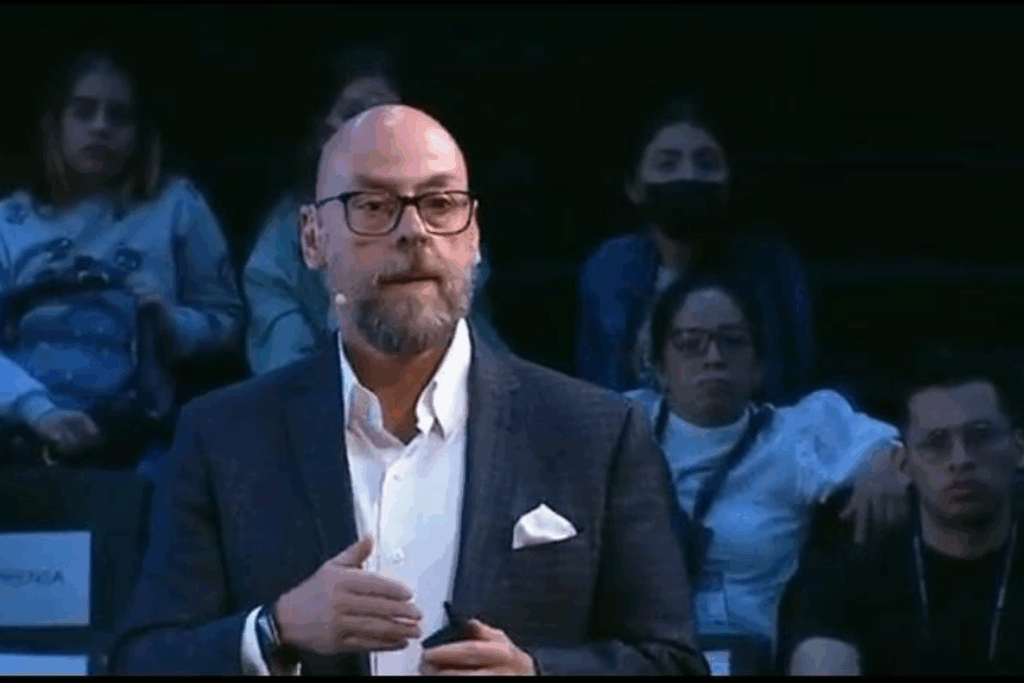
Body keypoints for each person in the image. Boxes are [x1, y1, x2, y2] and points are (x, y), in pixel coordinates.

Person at [107, 104, 709, 676]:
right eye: (373, 205)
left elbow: (675, 662)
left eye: (441, 203)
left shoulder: (597, 435)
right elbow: (141, 660)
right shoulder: (223, 437)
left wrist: (536, 672)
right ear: (312, 237)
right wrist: (274, 630)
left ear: (473, 236)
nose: (414, 230)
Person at [624, 272, 904, 669]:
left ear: (758, 366)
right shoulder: (622, 424)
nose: (713, 357)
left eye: (732, 341)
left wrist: (883, 463)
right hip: (636, 652)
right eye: (690, 344)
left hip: (742, 656)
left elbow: (888, 445)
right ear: (660, 367)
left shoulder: (796, 436)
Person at [0, 50, 244, 471]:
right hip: (20, 438)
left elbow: (226, 319)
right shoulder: (9, 220)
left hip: (138, 442)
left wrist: (171, 323)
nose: (101, 127)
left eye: (118, 116)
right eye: (83, 112)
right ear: (55, 124)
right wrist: (37, 411)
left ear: (139, 131)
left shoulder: (176, 207)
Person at [244, 47, 507, 376]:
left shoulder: (447, 221)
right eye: (356, 114)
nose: (376, 131)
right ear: (321, 133)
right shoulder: (276, 256)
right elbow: (284, 380)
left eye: (390, 114)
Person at [786, 346, 1024, 675]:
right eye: (936, 443)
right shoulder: (852, 561)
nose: (960, 459)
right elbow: (821, 659)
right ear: (903, 464)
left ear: (1019, 450)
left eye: (981, 436)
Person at [578, 95, 813, 404]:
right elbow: (598, 384)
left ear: (728, 181)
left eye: (706, 163)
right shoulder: (611, 267)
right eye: (668, 164)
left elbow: (793, 382)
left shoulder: (772, 268)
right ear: (634, 187)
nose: (688, 175)